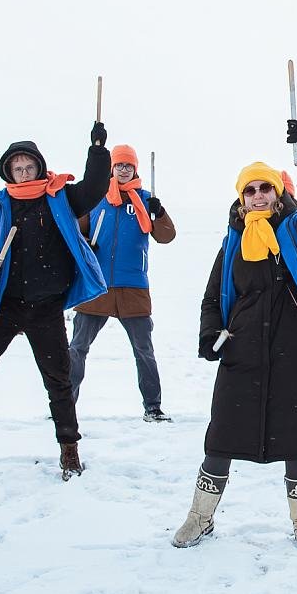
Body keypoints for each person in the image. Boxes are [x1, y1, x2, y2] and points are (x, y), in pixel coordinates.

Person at [173, 119, 297, 549]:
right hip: (241, 353)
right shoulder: (231, 243)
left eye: (266, 188)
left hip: (293, 353)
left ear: (277, 194)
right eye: (251, 190)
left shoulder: (296, 234)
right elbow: (214, 296)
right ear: (241, 200)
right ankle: (200, 517)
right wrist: (211, 333)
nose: (259, 195)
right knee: (222, 436)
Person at [0, 128, 112, 478]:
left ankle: (69, 446)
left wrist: (98, 150)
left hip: (46, 305)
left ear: (39, 168)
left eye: (29, 166)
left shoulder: (58, 197)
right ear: (8, 173)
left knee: (58, 379)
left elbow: (95, 188)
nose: (24, 173)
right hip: (5, 304)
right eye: (17, 168)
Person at [69, 143, 177, 421]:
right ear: (112, 168)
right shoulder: (96, 199)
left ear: (135, 168)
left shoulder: (144, 200)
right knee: (77, 348)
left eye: (129, 165)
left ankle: (152, 407)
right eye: (119, 165)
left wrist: (160, 212)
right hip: (96, 287)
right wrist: (86, 248)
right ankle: (65, 405)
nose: (124, 169)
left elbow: (166, 236)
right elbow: (74, 234)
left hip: (133, 288)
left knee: (144, 350)